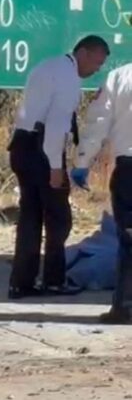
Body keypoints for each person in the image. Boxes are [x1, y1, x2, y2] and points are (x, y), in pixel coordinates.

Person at [8, 35, 110, 299]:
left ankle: (22, 282)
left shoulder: (48, 66)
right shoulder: (67, 78)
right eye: (96, 63)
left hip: (21, 145)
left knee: (31, 217)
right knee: (59, 219)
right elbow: (55, 126)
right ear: (84, 53)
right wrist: (55, 167)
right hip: (42, 149)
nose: (96, 70)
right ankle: (54, 280)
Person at [71, 63, 132, 323]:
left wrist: (82, 163)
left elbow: (98, 123)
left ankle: (124, 306)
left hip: (129, 169)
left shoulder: (119, 78)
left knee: (129, 240)